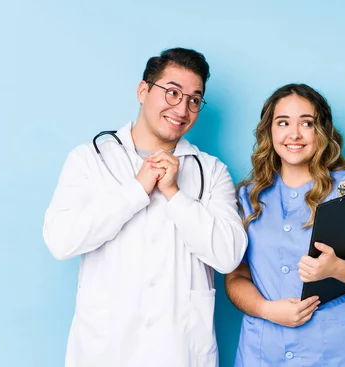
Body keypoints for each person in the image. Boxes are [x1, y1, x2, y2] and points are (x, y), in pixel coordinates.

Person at [43, 47, 247, 367]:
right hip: (106, 351)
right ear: (143, 90)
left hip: (180, 352)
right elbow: (60, 240)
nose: (182, 108)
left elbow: (229, 255)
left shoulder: (212, 171)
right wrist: (136, 190)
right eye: (172, 92)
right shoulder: (90, 159)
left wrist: (174, 194)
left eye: (194, 99)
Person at [224, 83, 345, 366]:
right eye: (283, 123)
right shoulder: (249, 196)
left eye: (307, 123)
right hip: (264, 353)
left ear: (322, 132)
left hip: (335, 353)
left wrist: (337, 268)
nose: (294, 134)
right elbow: (235, 278)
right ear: (270, 130)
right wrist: (266, 309)